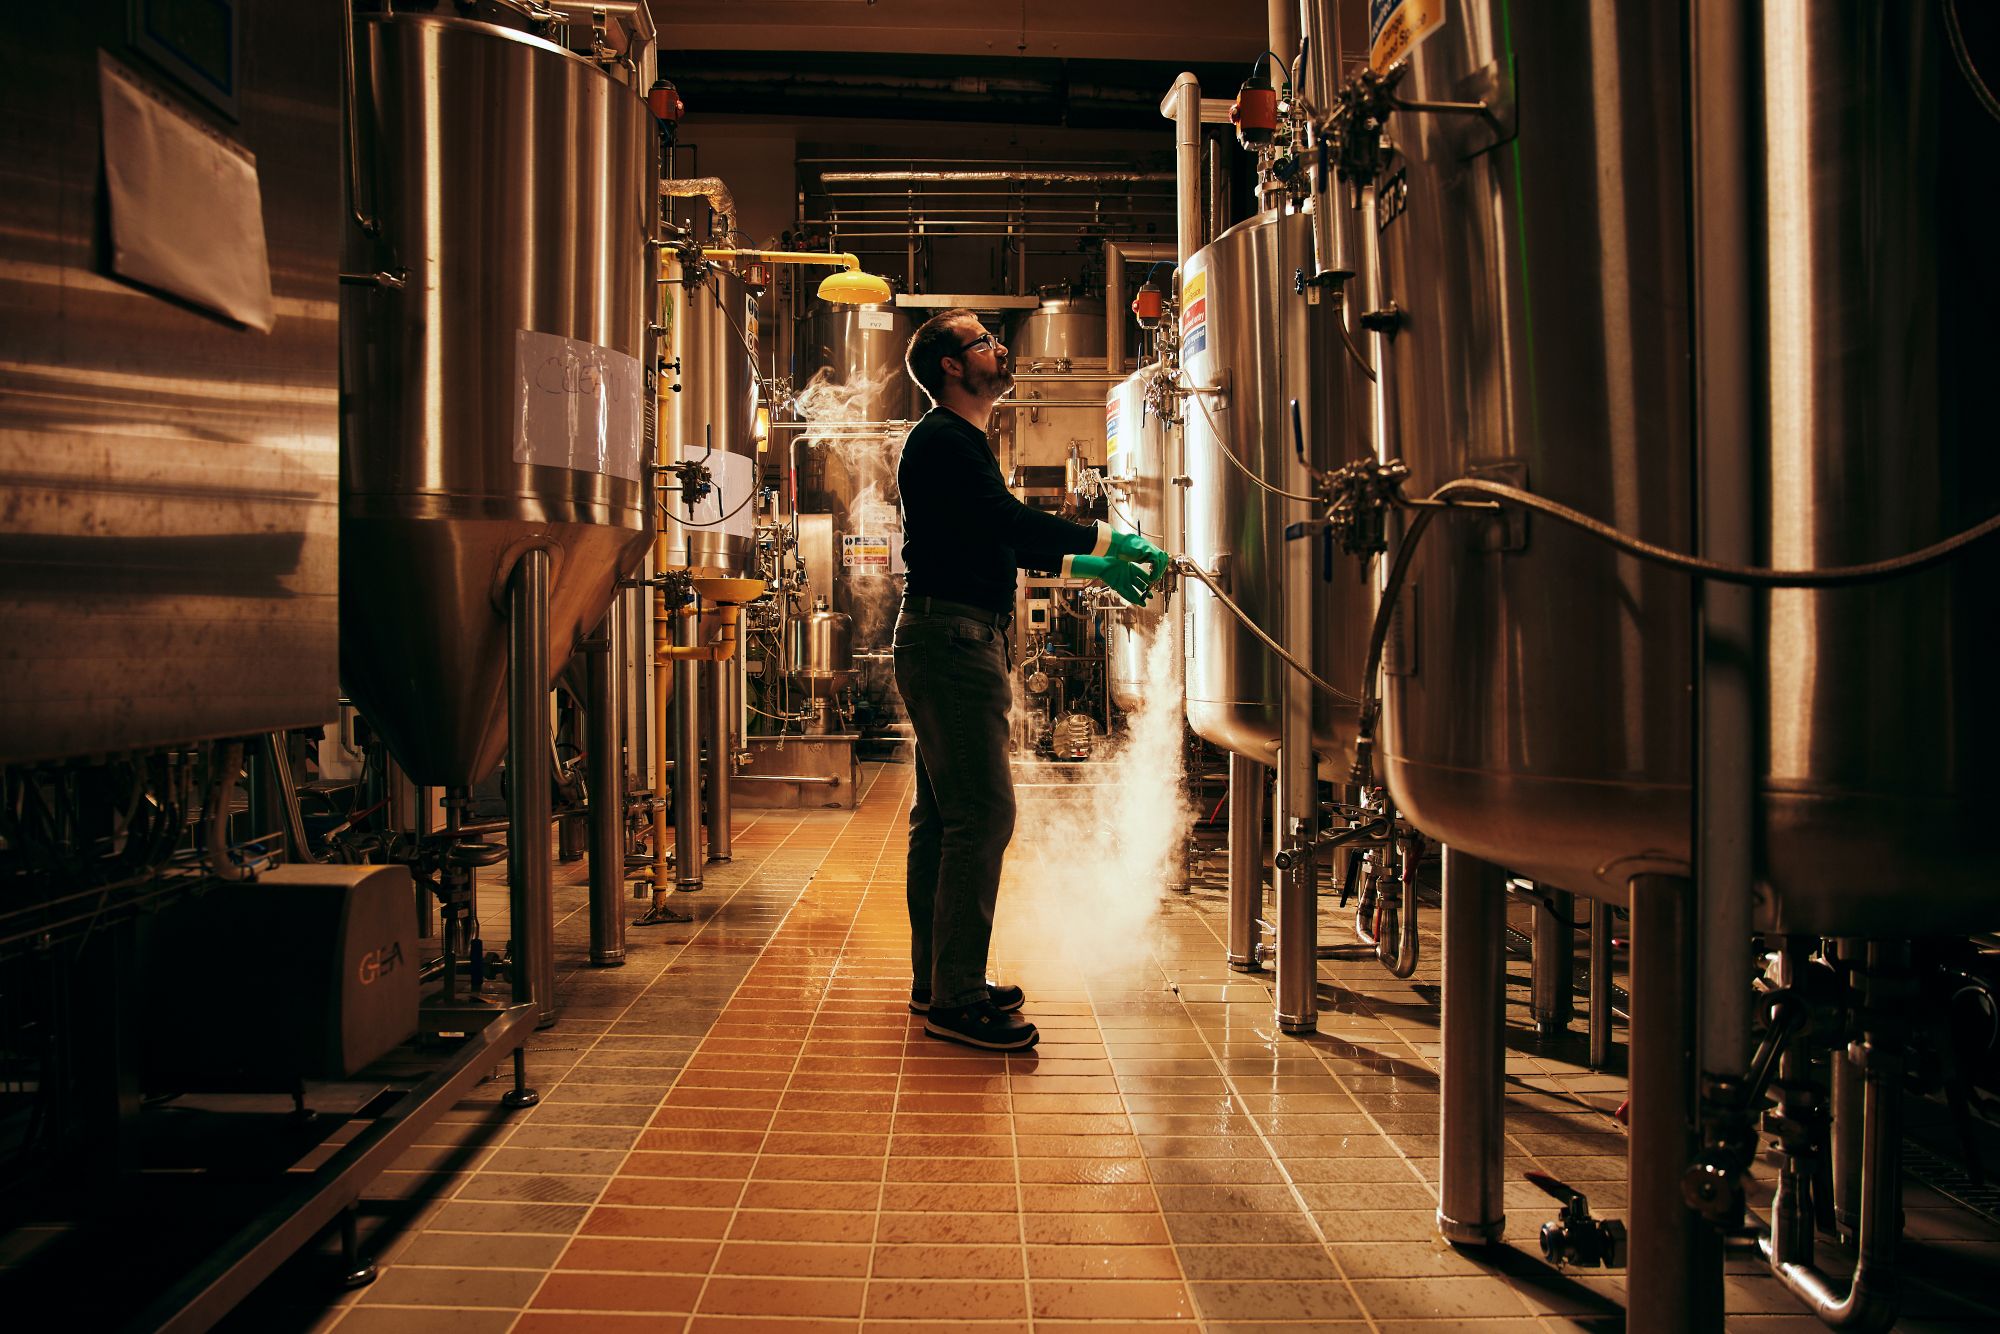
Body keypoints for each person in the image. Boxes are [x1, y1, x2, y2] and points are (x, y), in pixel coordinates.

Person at [894, 309, 1168, 1049]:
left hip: (945, 631)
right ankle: (955, 1001)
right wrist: (1111, 537)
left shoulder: (954, 443)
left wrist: (1091, 565)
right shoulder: (946, 439)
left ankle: (939, 980)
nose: (998, 345)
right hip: (953, 641)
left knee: (944, 818)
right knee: (983, 816)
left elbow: (992, 542)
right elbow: (1009, 522)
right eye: (982, 339)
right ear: (952, 367)